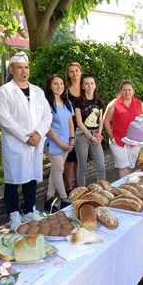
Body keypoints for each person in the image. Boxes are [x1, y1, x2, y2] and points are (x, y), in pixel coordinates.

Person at [0, 51, 52, 230]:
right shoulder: (4, 91)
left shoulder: (37, 91)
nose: (23, 71)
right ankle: (14, 214)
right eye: (19, 67)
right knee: (13, 180)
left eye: (26, 67)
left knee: (31, 178)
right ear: (12, 69)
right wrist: (25, 137)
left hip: (36, 141)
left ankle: (29, 210)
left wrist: (38, 134)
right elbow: (4, 119)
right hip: (16, 143)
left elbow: (47, 115)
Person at [104, 80, 143, 178]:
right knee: (123, 166)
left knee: (130, 166)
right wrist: (111, 136)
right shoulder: (114, 103)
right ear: (120, 91)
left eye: (129, 90)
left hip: (134, 140)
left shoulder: (139, 104)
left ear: (133, 91)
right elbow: (106, 120)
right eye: (124, 90)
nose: (127, 92)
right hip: (118, 139)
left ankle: (127, 187)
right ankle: (125, 188)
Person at [44, 74, 75, 212]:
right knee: (59, 170)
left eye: (61, 83)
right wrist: (61, 143)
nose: (59, 86)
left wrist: (72, 138)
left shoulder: (67, 103)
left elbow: (70, 123)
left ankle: (48, 199)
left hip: (67, 143)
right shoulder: (47, 104)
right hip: (54, 143)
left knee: (55, 171)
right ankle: (64, 199)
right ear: (50, 86)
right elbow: (47, 127)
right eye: (56, 84)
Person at [74, 74, 106, 186]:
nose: (89, 86)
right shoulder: (78, 101)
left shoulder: (98, 101)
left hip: (95, 134)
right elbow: (79, 121)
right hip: (82, 135)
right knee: (82, 167)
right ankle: (81, 192)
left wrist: (98, 135)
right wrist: (90, 137)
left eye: (92, 83)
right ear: (82, 86)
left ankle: (102, 190)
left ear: (95, 85)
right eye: (86, 83)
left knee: (101, 167)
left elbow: (101, 120)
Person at [63, 62, 82, 191]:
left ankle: (77, 184)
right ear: (68, 74)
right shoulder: (65, 89)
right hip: (70, 126)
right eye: (71, 71)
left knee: (79, 158)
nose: (74, 73)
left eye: (76, 70)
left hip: (83, 127)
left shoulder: (85, 86)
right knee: (70, 159)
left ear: (80, 71)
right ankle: (68, 187)